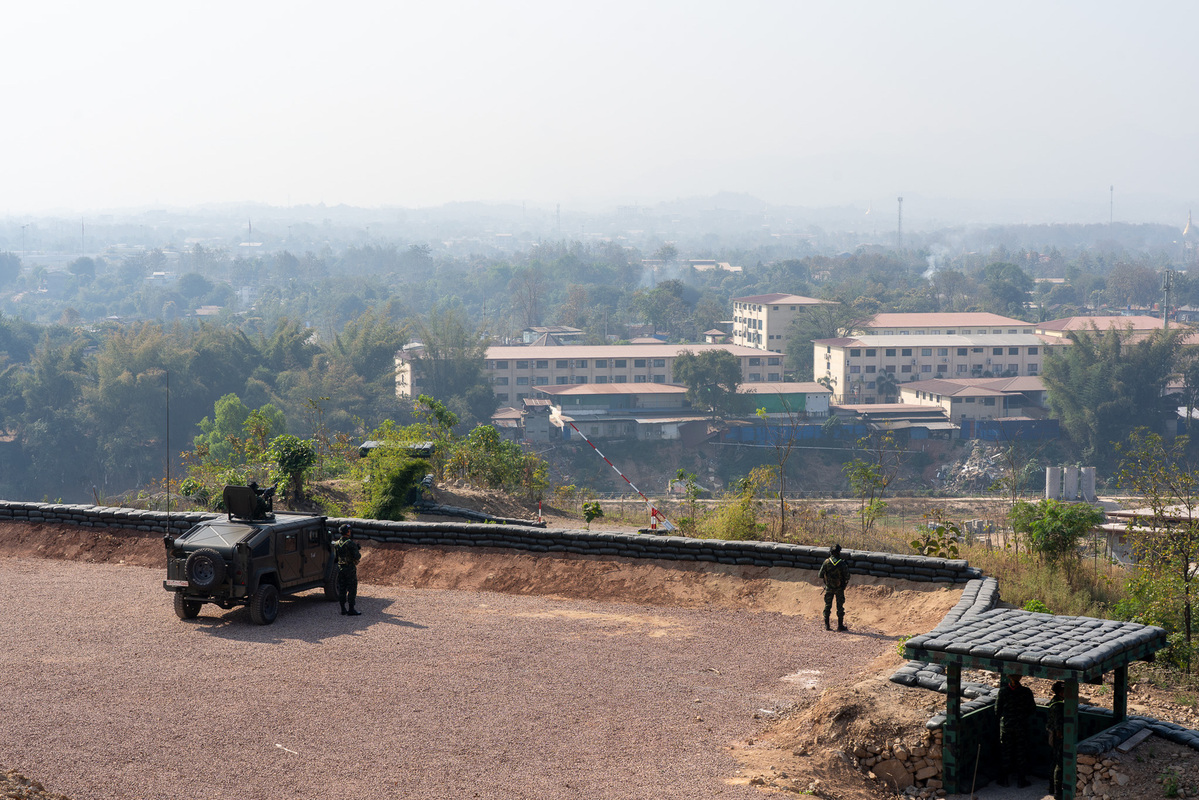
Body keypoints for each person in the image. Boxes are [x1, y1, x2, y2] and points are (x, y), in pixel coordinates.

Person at [995, 672, 1036, 788]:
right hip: (1021, 726)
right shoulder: (1026, 692)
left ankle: (1005, 779)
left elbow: (997, 710)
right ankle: (1021, 780)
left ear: (1009, 678)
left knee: (1005, 752)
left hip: (1006, 726)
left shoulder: (1002, 691)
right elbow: (1032, 709)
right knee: (1021, 753)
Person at [818, 543, 850, 631]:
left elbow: (820, 575)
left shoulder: (826, 562)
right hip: (839, 588)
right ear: (839, 552)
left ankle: (827, 625)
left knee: (827, 605)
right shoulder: (842, 563)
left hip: (829, 587)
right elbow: (847, 577)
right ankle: (840, 626)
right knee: (840, 607)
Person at [333, 524, 362, 616]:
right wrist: (357, 549)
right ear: (347, 532)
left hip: (341, 568)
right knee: (352, 588)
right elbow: (357, 556)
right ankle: (351, 609)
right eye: (349, 530)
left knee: (342, 588)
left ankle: (343, 609)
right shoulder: (350, 543)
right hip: (350, 568)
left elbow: (336, 558)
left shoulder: (337, 543)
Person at [1045, 681, 1065, 800]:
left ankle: (1052, 786)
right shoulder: (1058, 706)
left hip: (1053, 735)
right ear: (1061, 692)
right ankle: (1057, 791)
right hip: (1058, 738)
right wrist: (1060, 735)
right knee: (1059, 763)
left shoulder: (1055, 702)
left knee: (1054, 761)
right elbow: (1058, 725)